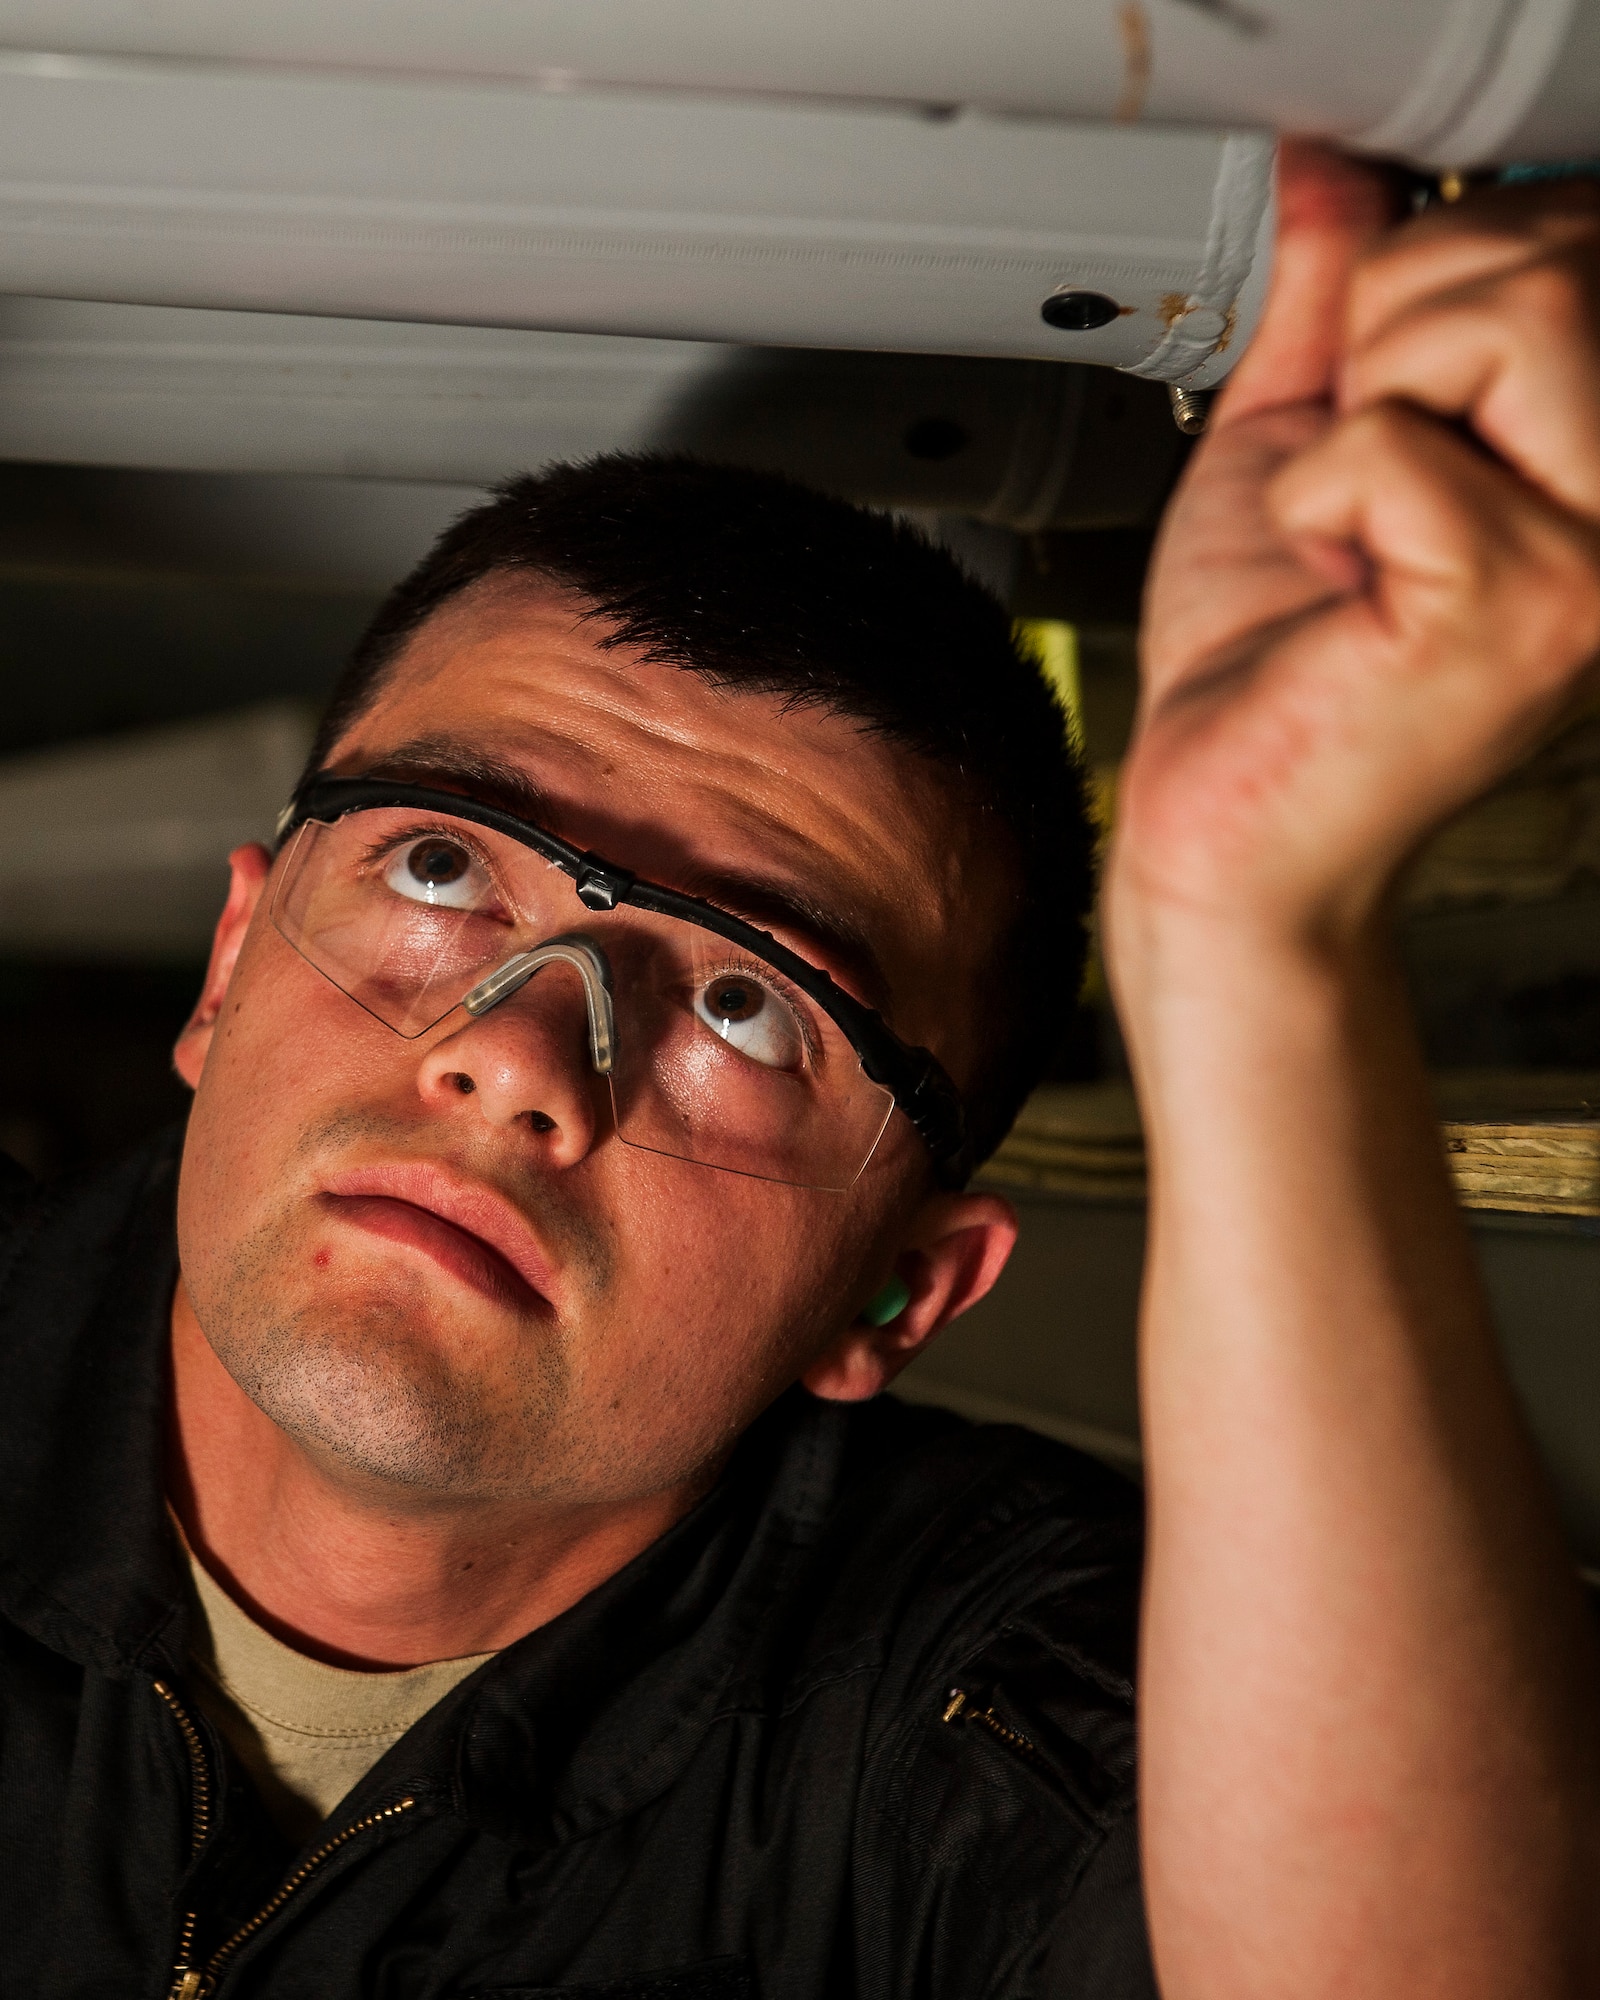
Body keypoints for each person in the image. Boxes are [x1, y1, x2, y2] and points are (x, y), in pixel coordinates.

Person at [1, 141, 1597, 2000]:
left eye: (752, 1006)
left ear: (901, 1289)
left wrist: (1255, 930)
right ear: (227, 966)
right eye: (441, 865)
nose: (520, 1057)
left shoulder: (992, 1704)